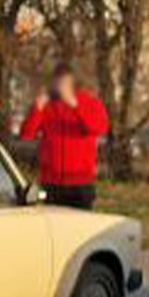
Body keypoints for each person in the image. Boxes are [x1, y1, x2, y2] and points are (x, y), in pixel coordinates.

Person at [19, 63, 109, 209]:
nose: (61, 88)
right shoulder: (47, 106)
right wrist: (38, 108)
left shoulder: (89, 102)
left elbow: (98, 128)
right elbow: (26, 133)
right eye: (58, 83)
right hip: (51, 182)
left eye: (65, 83)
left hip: (80, 181)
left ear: (74, 83)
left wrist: (75, 106)